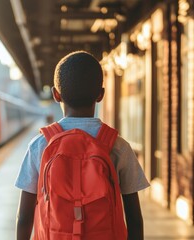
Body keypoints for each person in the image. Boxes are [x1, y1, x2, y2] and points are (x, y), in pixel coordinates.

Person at [15, 50, 150, 240]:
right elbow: (135, 219)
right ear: (100, 95)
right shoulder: (118, 146)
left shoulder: (40, 145)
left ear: (56, 95)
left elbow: (24, 217)